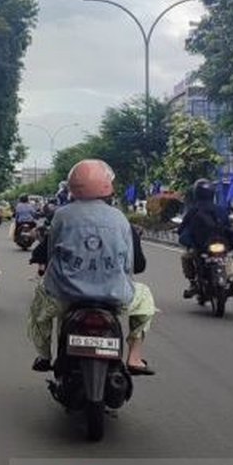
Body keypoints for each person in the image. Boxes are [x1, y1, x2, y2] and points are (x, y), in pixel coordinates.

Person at [27, 159, 155, 376]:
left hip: (66, 295)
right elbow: (130, 266)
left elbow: (50, 255)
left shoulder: (62, 215)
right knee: (145, 299)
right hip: (114, 296)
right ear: (107, 186)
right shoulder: (120, 219)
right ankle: (134, 357)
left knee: (39, 309)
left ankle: (45, 355)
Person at [177, 178, 233, 298]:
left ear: (196, 193)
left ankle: (192, 283)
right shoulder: (221, 210)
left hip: (201, 246)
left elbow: (182, 228)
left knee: (186, 257)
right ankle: (231, 276)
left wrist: (181, 233)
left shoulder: (193, 210)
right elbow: (229, 225)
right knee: (226, 257)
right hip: (221, 244)